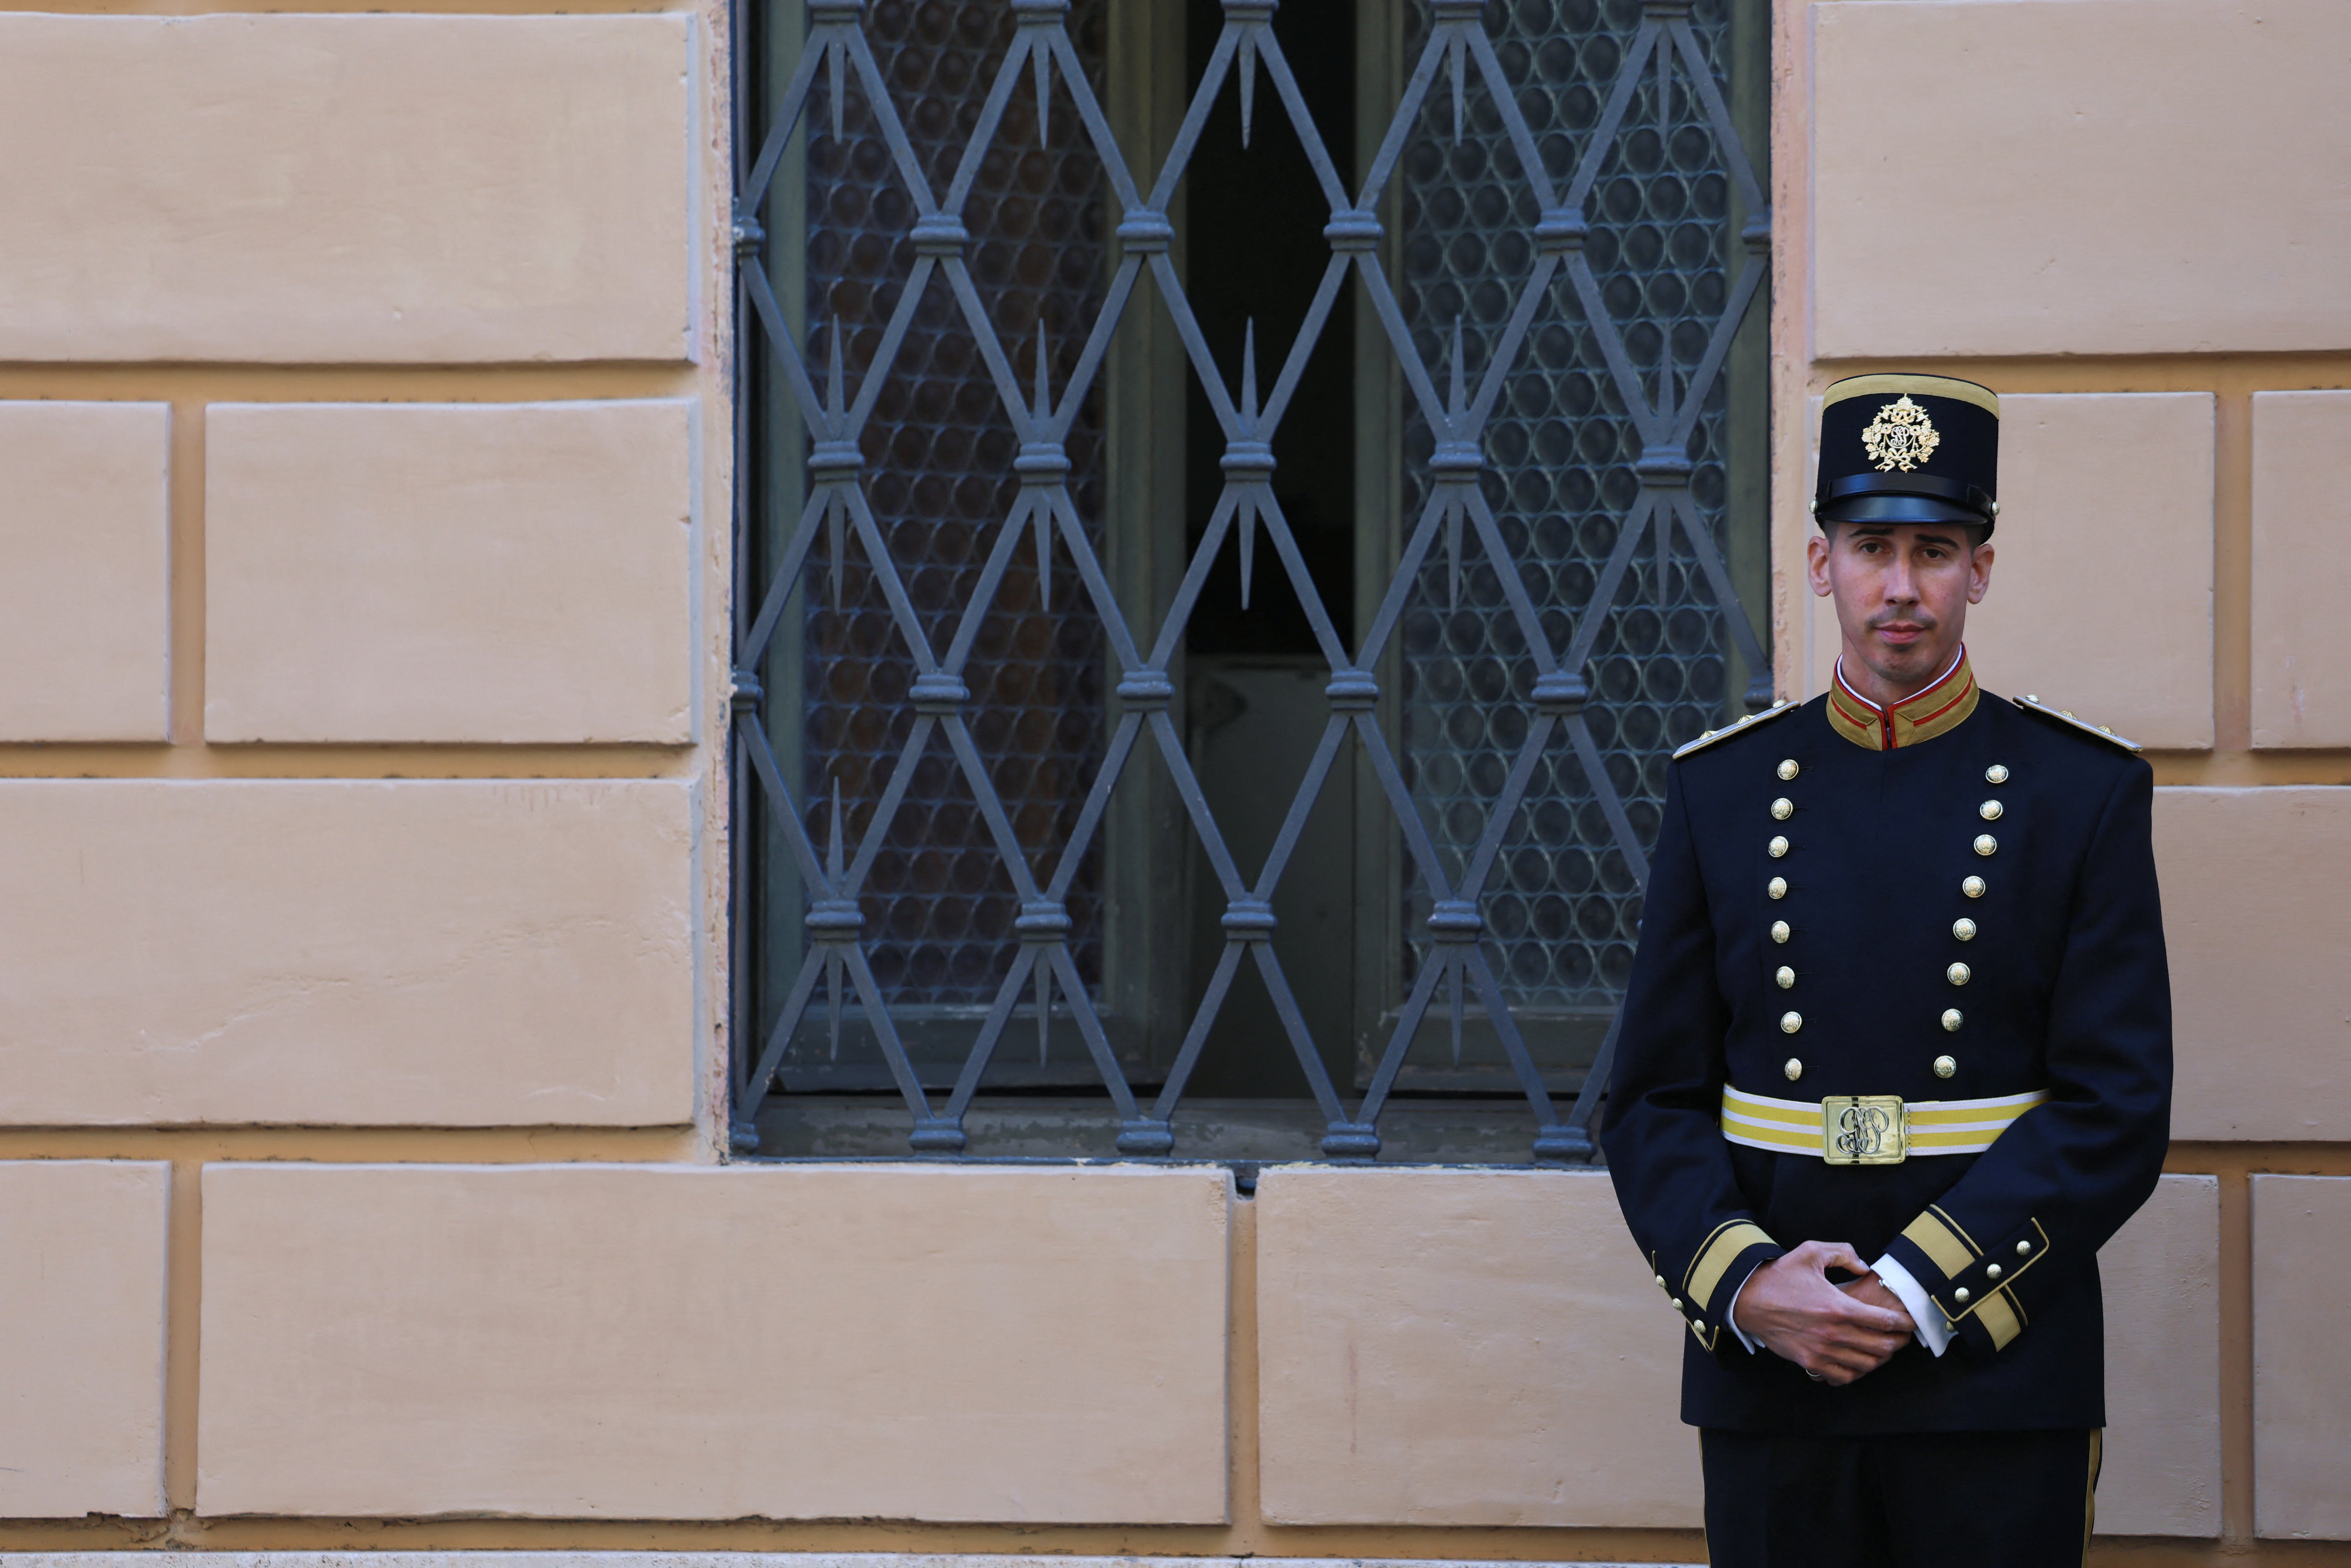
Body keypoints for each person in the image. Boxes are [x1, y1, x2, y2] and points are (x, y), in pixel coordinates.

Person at [1599, 374, 2173, 1568]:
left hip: (1994, 1368)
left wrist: (1916, 1287)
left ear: (1981, 568)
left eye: (1934, 547)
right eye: (1871, 547)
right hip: (1772, 1360)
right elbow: (1648, 1097)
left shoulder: (2081, 793)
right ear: (1820, 562)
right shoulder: (1720, 791)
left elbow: (2114, 1105)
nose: (1900, 586)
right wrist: (1745, 1281)